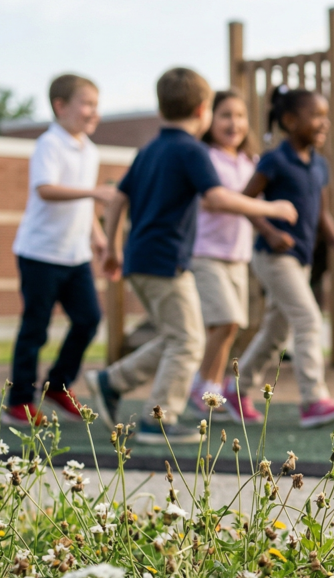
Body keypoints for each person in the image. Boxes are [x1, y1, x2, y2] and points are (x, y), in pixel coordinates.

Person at [91, 68, 297, 444]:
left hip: (144, 258)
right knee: (188, 341)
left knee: (178, 335)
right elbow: (215, 197)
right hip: (167, 260)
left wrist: (112, 246)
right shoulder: (191, 150)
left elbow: (118, 197)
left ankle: (111, 381)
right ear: (204, 110)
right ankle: (158, 419)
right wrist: (273, 209)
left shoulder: (150, 148)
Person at [237, 86, 334, 429]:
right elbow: (245, 200)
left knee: (276, 333)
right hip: (274, 257)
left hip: (301, 258)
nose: (324, 122)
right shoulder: (274, 160)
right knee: (308, 319)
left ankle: (235, 390)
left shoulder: (320, 165)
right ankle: (313, 400)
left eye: (326, 115)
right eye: (316, 115)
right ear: (290, 120)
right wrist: (270, 231)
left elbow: (321, 212)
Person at [5, 74, 113, 426]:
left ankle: (58, 386)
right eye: (86, 104)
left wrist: (97, 237)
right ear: (60, 106)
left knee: (89, 319)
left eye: (96, 105)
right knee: (35, 326)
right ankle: (19, 400)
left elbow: (83, 205)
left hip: (74, 254)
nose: (93, 112)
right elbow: (45, 189)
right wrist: (94, 193)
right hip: (40, 253)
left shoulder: (90, 150)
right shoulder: (49, 144)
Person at [189, 89, 262, 424]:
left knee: (230, 327)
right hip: (206, 252)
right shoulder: (205, 157)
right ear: (209, 120)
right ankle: (200, 386)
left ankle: (210, 386)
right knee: (226, 320)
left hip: (238, 254)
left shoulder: (249, 161)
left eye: (240, 116)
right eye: (225, 115)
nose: (234, 123)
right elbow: (210, 200)